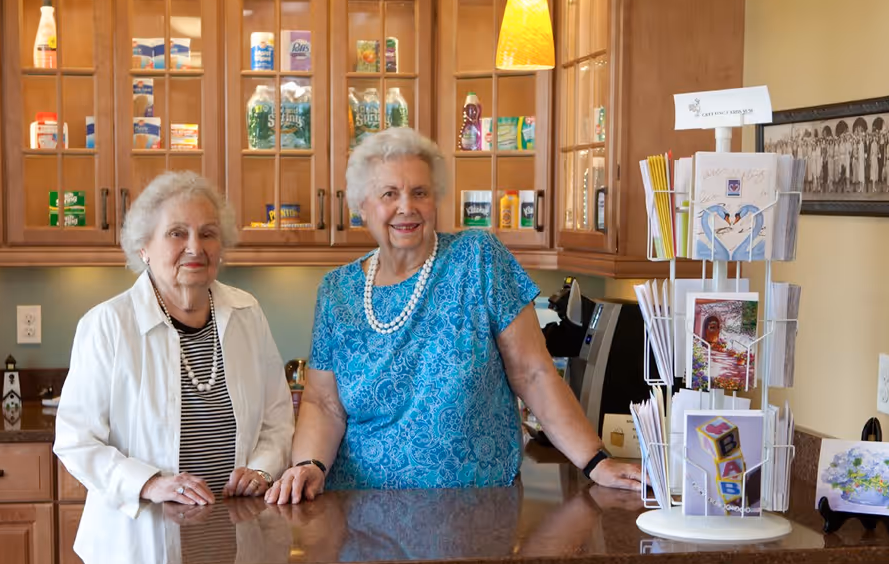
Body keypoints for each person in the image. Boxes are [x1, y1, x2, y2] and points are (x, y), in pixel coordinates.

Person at [54, 171, 293, 564]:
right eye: (177, 233)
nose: (196, 247)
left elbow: (276, 416)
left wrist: (262, 468)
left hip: (231, 547)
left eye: (209, 233)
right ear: (144, 247)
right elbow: (75, 439)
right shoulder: (107, 325)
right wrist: (148, 480)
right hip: (142, 556)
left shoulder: (246, 312)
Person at [265, 128, 641, 504]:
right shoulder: (337, 291)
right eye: (389, 194)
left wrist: (595, 462)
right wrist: (310, 465)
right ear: (362, 206)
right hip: (362, 509)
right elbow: (323, 404)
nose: (406, 207)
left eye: (420, 192)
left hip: (474, 507)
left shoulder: (478, 258)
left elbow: (534, 373)